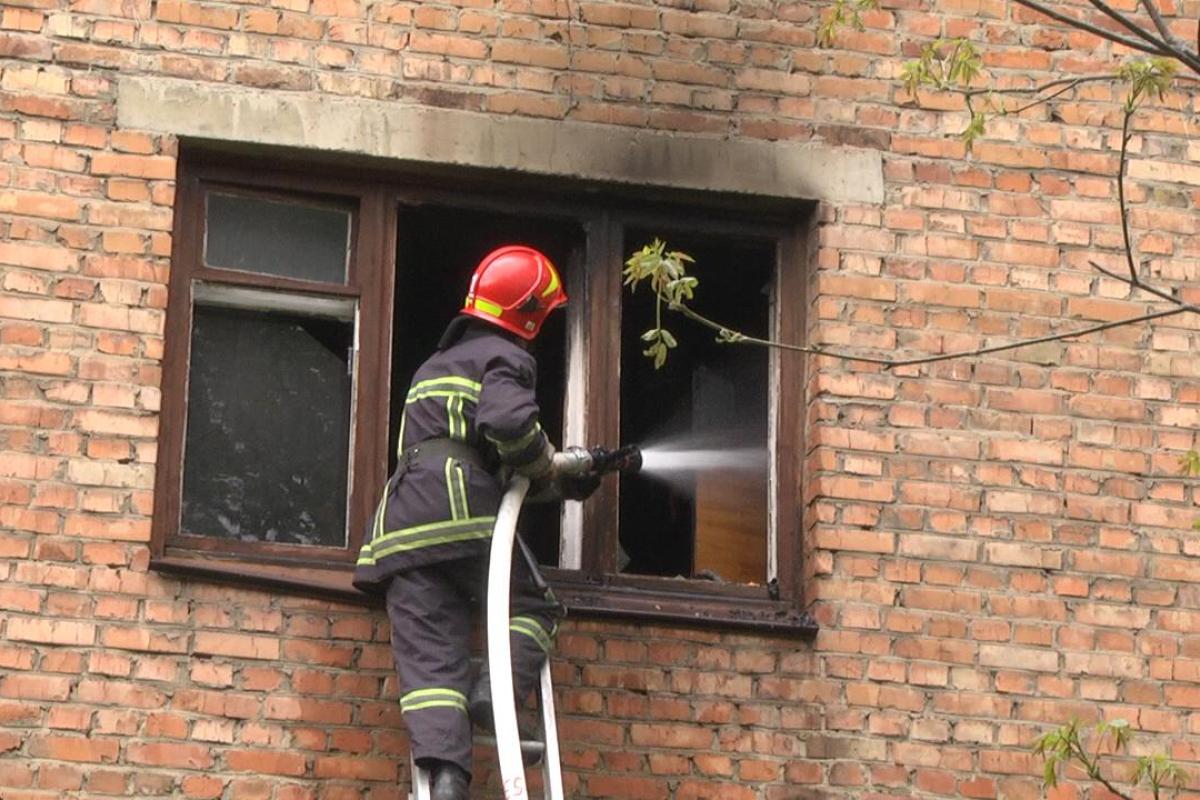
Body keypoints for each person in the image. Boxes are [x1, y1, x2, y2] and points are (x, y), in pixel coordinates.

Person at [353, 245, 599, 800]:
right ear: (529, 314)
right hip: (460, 513)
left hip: (402, 531)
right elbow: (508, 425)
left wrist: (554, 482)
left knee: (431, 660)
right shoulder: (504, 357)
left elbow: (463, 451)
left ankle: (446, 778)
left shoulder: (429, 369)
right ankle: (496, 692)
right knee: (534, 605)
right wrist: (550, 463)